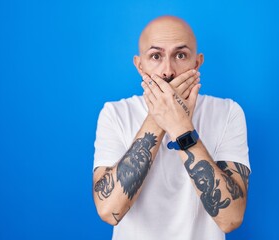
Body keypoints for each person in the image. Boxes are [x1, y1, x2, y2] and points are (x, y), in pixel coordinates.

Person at [92, 15, 250, 240]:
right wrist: (160, 116)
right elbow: (109, 210)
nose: (168, 71)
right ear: (140, 65)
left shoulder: (228, 113)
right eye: (156, 56)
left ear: (197, 63)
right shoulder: (115, 113)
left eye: (180, 55)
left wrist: (181, 127)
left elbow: (231, 219)